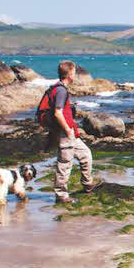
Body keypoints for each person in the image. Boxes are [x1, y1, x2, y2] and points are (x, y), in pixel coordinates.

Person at [49, 60, 95, 203]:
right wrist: (68, 130)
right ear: (69, 74)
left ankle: (88, 185)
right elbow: (57, 112)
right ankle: (61, 195)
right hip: (65, 134)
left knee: (86, 154)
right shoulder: (61, 90)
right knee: (64, 165)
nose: (75, 74)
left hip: (70, 133)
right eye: (74, 72)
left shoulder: (59, 88)